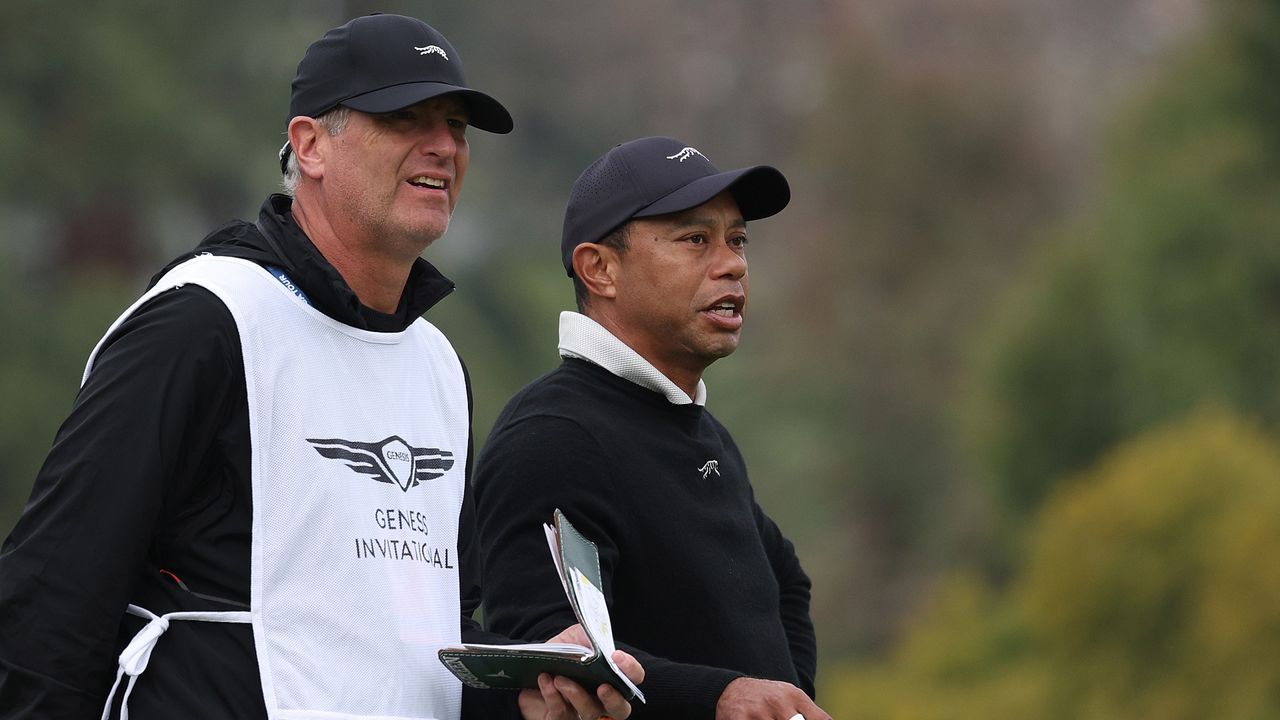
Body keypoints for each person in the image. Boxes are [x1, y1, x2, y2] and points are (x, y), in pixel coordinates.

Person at [0, 14, 640, 720]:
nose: (443, 147)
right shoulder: (205, 319)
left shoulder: (435, 363)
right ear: (309, 146)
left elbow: (424, 642)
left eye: (456, 126)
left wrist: (526, 693)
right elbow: (53, 592)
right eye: (405, 118)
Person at [474, 136, 831, 720]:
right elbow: (548, 661)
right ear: (600, 269)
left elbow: (785, 583)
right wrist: (716, 698)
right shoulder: (553, 435)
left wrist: (785, 702)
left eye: (737, 240)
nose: (733, 263)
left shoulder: (700, 430)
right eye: (696, 240)